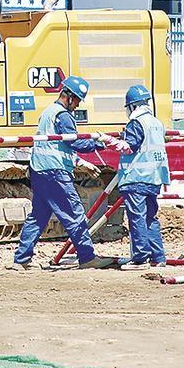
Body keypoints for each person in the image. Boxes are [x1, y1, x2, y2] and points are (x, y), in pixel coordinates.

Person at [13, 74, 114, 269]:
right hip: (55, 173)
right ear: (68, 96)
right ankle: (87, 257)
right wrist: (100, 142)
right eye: (76, 100)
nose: (77, 105)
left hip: (39, 171)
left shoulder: (48, 113)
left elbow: (58, 147)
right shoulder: (63, 115)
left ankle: (21, 260)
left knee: (39, 216)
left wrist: (78, 162)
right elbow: (74, 141)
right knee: (74, 213)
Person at [115, 83, 171, 270]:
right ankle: (158, 256)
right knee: (150, 218)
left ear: (131, 106)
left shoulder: (136, 123)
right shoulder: (156, 123)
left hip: (136, 177)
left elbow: (129, 146)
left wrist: (112, 141)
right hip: (153, 178)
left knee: (137, 218)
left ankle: (139, 258)